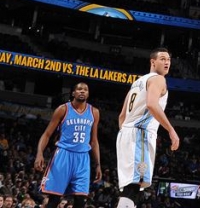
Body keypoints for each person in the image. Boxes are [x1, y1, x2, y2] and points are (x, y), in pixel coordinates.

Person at [115, 48, 179, 208]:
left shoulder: (137, 82)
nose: (167, 62)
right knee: (134, 185)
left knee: (135, 184)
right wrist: (171, 130)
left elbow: (122, 116)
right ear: (153, 62)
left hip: (126, 133)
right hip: (139, 133)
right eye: (163, 59)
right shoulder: (158, 79)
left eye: (169, 60)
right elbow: (151, 104)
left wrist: (126, 134)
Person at [35, 82, 101, 208]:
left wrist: (98, 165)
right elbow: (47, 134)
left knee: (80, 200)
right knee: (54, 200)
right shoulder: (63, 109)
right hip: (63, 155)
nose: (82, 91)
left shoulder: (94, 112)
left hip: (83, 158)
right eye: (79, 89)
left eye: (85, 89)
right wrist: (39, 153)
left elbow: (94, 141)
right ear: (73, 93)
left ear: (88, 93)